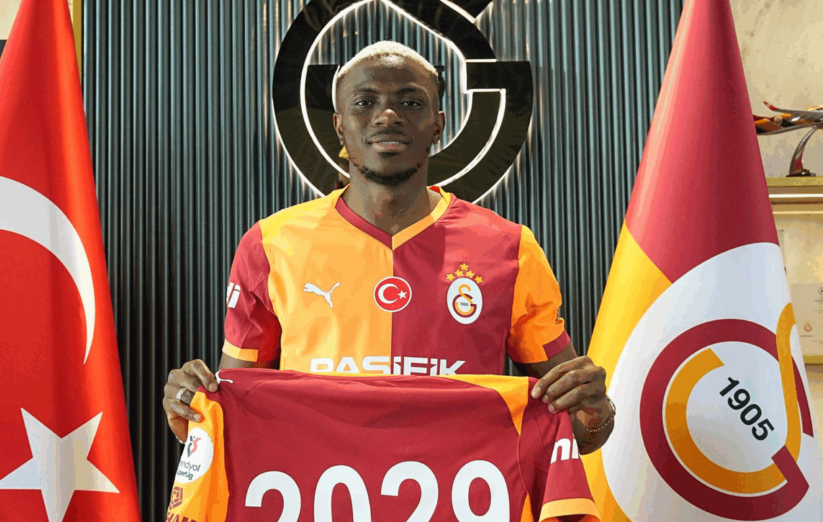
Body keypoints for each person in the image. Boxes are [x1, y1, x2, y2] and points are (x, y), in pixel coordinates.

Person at [163, 41, 614, 455]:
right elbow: (233, 416)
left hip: (464, 510)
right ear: (340, 126)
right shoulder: (270, 243)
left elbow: (580, 427)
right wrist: (193, 405)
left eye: (411, 102)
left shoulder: (509, 247)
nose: (388, 116)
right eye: (365, 102)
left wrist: (597, 411)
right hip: (318, 507)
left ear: (438, 125)